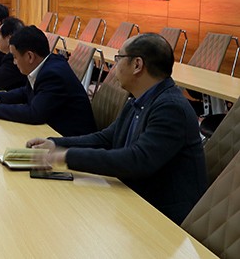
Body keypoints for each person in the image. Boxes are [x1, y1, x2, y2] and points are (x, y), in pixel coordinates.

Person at [25, 33, 207, 225]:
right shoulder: (140, 99)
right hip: (134, 197)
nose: (114, 65)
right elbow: (106, 138)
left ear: (137, 65)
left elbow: (136, 160)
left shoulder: (170, 108)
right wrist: (56, 143)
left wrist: (65, 156)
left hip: (162, 216)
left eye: (119, 58)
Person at [0, 25, 96, 137]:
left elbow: (34, 113)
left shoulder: (53, 74)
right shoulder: (48, 63)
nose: (14, 62)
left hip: (71, 140)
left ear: (29, 56)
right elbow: (26, 92)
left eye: (15, 57)